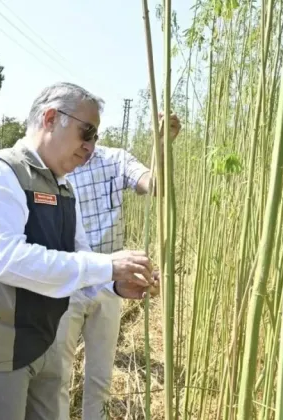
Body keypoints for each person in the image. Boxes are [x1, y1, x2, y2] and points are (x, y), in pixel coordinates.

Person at [0, 82, 159, 420]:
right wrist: (107, 266)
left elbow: (77, 251)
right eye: (86, 132)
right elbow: (6, 260)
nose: (91, 147)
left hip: (45, 339)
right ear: (50, 118)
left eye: (95, 137)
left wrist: (116, 283)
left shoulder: (63, 186)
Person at [55, 112, 181, 419]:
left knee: (99, 372)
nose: (86, 142)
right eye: (81, 132)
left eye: (92, 133)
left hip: (111, 280)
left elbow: (155, 185)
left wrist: (161, 145)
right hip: (69, 277)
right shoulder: (56, 166)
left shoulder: (114, 159)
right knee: (57, 372)